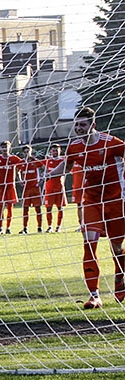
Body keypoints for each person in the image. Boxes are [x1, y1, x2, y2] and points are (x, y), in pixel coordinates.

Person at [46, 106, 125, 309]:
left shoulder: (112, 143)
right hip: (91, 201)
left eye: (82, 125)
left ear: (93, 125)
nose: (78, 128)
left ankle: (120, 276)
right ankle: (94, 295)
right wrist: (49, 175)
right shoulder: (75, 146)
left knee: (117, 247)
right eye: (76, 125)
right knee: (89, 243)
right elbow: (67, 165)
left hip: (116, 201)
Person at [0, 141, 23, 235]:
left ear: (10, 148)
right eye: (3, 147)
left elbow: (22, 166)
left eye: (6, 147)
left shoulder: (14, 159)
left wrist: (19, 178)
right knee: (0, 207)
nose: (4, 149)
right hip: (0, 186)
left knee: (10, 207)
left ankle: (8, 227)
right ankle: (0, 228)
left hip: (10, 186)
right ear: (0, 148)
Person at [18, 144, 46, 234]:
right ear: (23, 153)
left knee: (38, 208)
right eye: (25, 152)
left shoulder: (35, 161)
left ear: (31, 152)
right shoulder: (22, 162)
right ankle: (25, 228)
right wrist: (20, 180)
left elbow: (44, 169)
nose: (27, 153)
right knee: (25, 208)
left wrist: (41, 180)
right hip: (26, 189)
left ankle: (39, 227)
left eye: (28, 151)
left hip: (35, 188)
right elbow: (17, 171)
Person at [42, 143, 67, 233]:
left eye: (56, 150)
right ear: (51, 151)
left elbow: (65, 171)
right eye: (53, 150)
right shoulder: (48, 160)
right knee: (48, 208)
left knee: (60, 207)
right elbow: (44, 171)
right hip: (49, 188)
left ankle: (58, 226)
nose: (55, 152)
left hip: (59, 187)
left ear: (60, 151)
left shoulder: (63, 160)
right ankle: (49, 226)